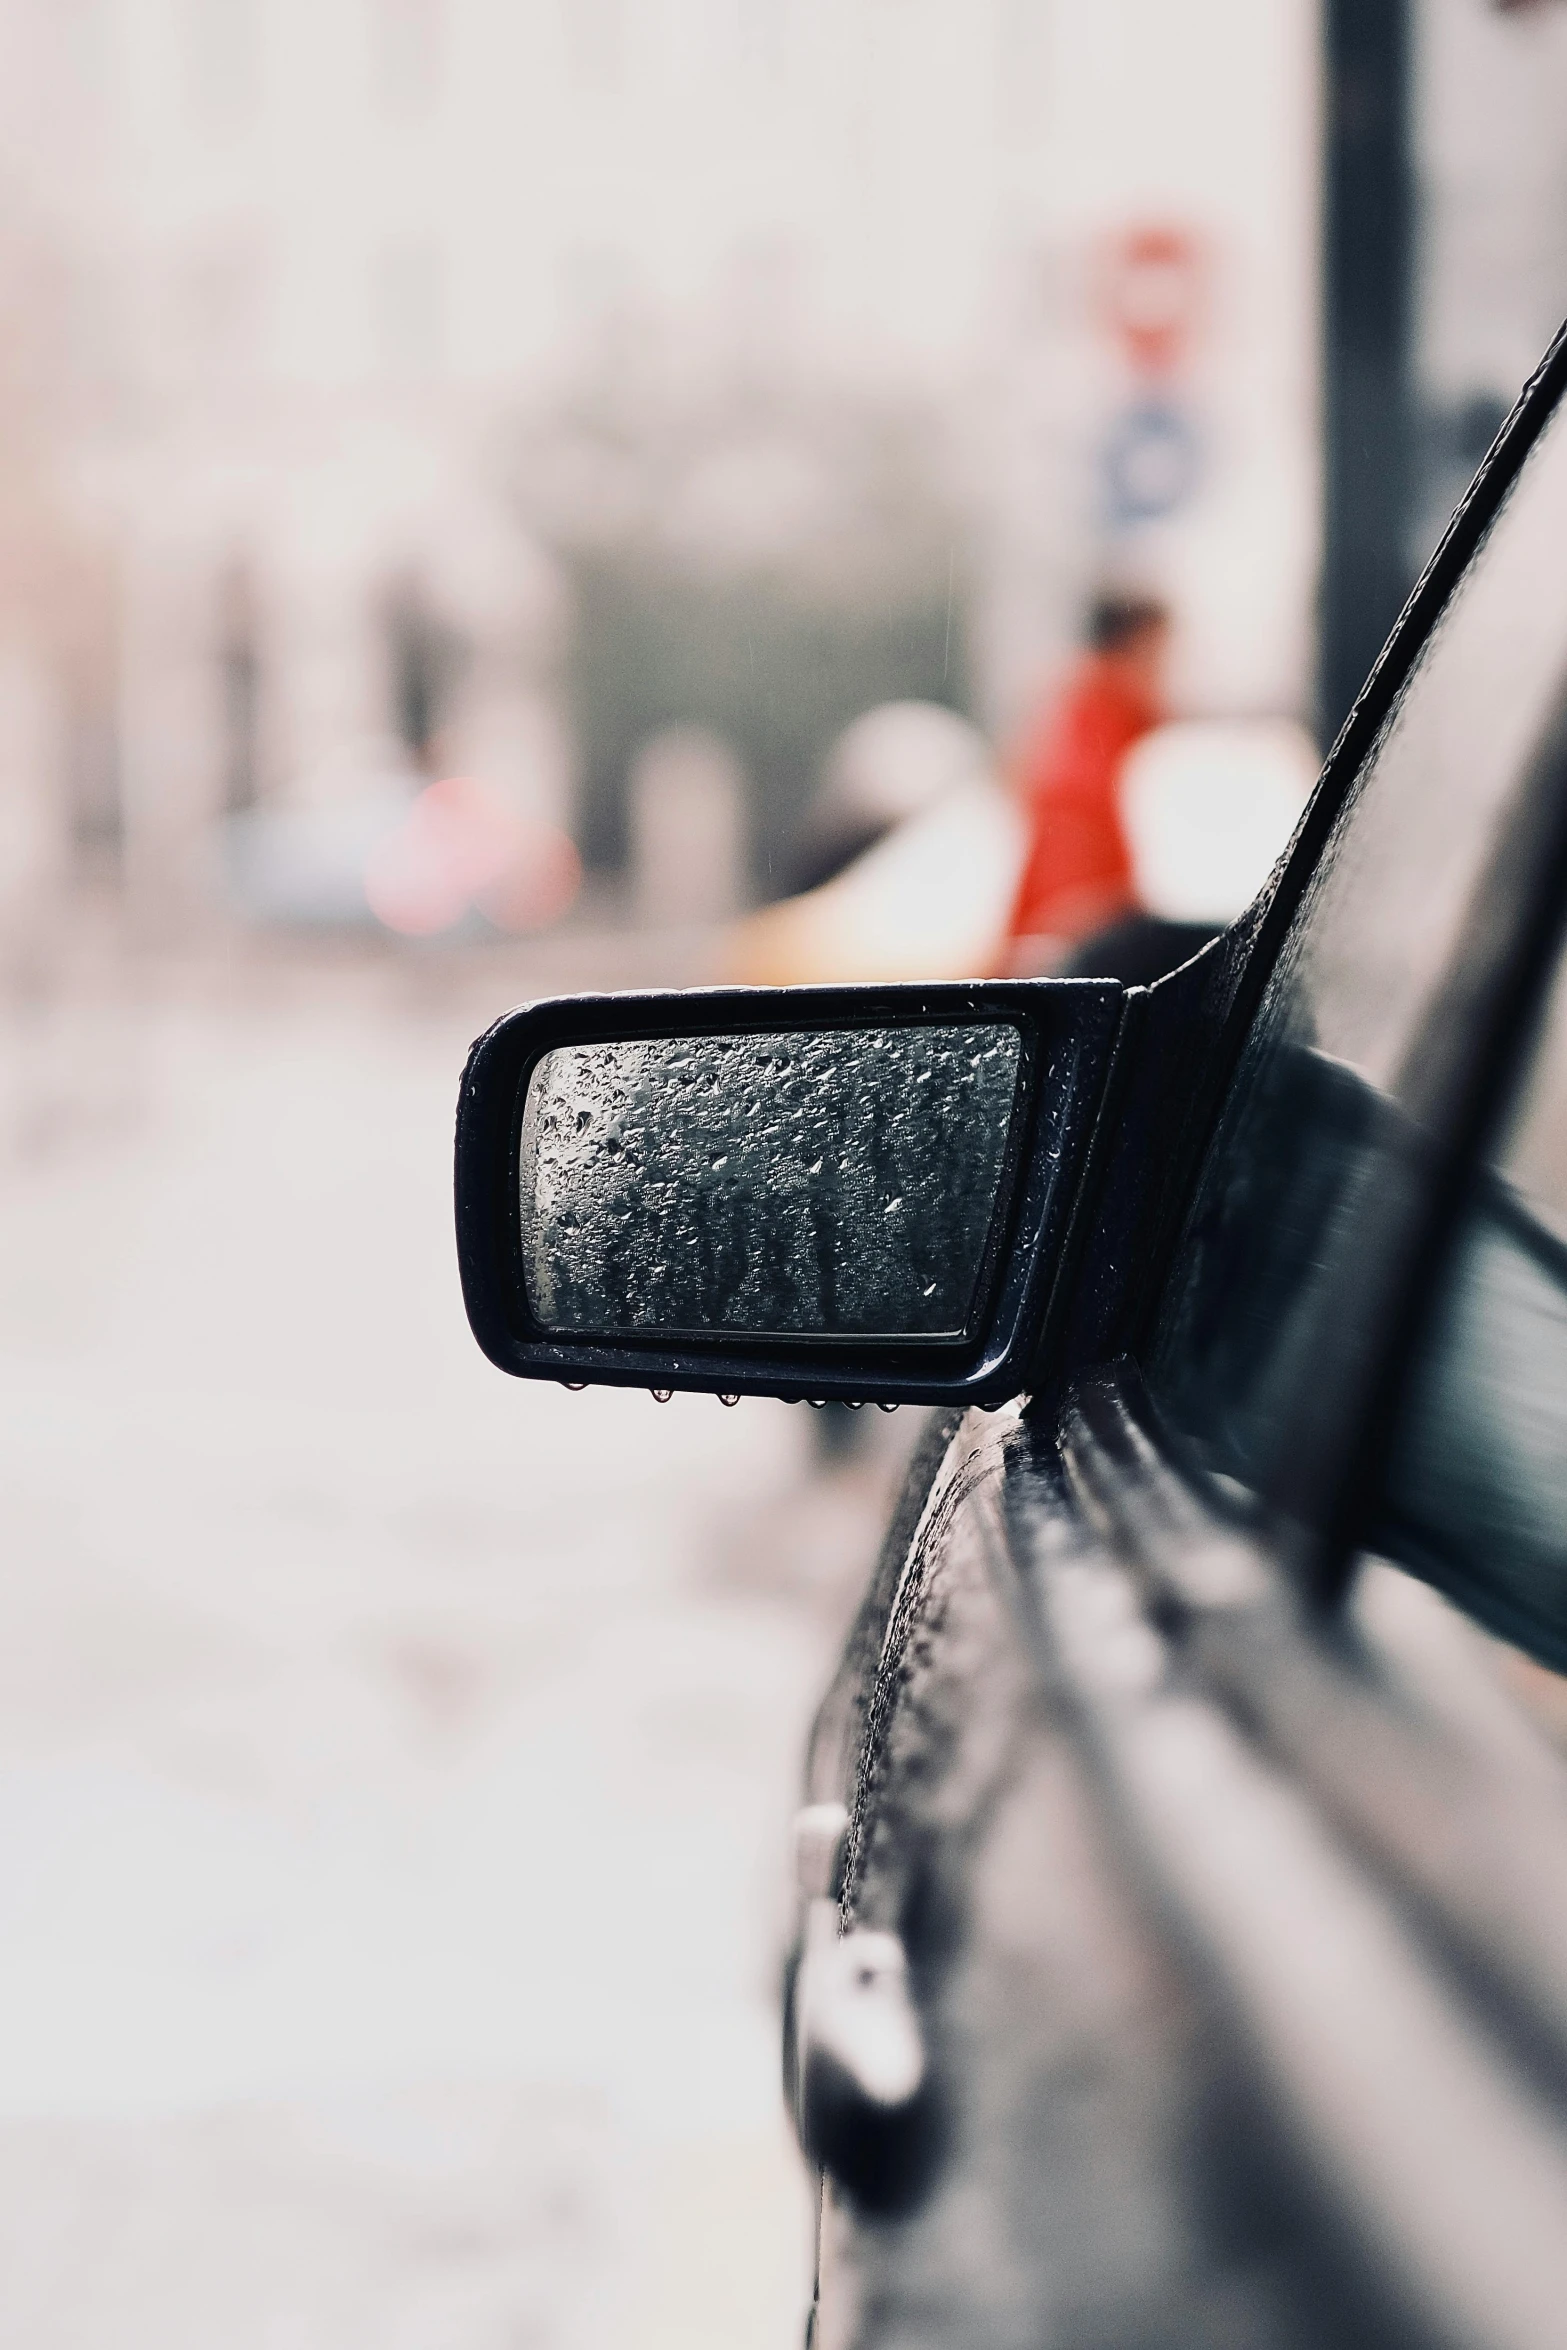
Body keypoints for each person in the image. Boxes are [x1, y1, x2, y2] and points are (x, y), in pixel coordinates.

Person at [1002, 591, 1171, 975]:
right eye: (1162, 655)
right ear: (1136, 645)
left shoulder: (1089, 719)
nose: (1166, 674)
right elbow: (1071, 893)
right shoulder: (1097, 731)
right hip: (1082, 953)